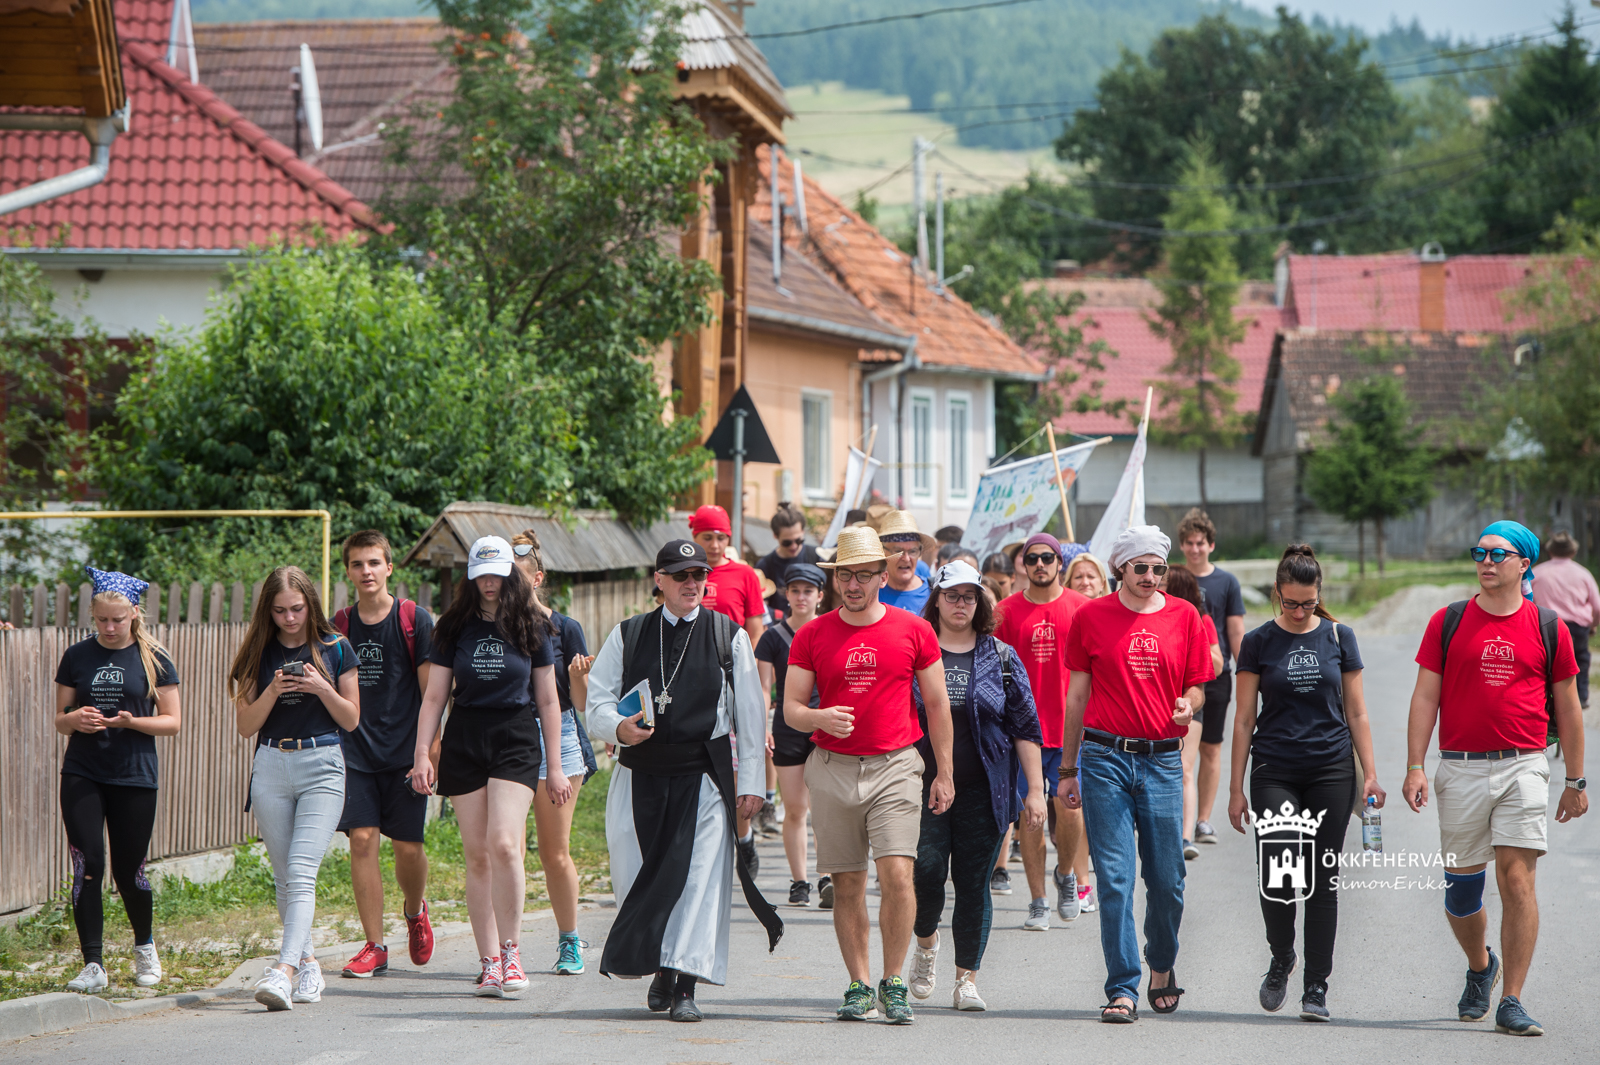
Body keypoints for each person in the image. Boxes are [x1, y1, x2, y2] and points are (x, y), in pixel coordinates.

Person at [584, 539, 783, 1022]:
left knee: (697, 882)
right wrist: (618, 727)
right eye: (680, 576)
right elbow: (597, 703)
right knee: (641, 876)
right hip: (639, 776)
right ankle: (662, 969)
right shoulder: (628, 634)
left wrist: (751, 783)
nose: (692, 583)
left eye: (698, 575)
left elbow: (750, 718)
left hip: (704, 779)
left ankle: (687, 984)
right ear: (660, 581)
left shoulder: (726, 635)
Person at [1404, 520, 1588, 1037]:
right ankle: (1482, 967)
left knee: (1516, 880)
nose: (1485, 561)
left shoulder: (1549, 627)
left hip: (1524, 765)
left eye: (1497, 554)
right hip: (1460, 765)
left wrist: (1575, 781)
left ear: (1524, 563)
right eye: (1479, 552)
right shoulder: (1449, 621)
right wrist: (1416, 765)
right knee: (1462, 895)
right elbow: (1425, 697)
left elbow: (1570, 710)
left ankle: (1513, 1000)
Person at [785, 525, 953, 1024]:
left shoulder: (914, 629)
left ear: (884, 575)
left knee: (898, 874)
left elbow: (939, 705)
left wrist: (945, 773)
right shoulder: (813, 633)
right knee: (848, 881)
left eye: (862, 575)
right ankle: (859, 984)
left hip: (897, 765)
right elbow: (791, 708)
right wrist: (818, 717)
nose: (852, 584)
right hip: (832, 768)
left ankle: (893, 980)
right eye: (843, 575)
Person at [1061, 525, 1213, 1024]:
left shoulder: (1185, 616)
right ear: (1120, 569)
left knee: (1168, 879)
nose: (1150, 577)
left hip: (1164, 760)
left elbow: (1198, 687)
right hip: (1105, 759)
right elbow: (1077, 697)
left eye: (1158, 568)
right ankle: (1123, 986)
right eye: (1140, 568)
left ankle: (1162, 963)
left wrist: (1188, 706)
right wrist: (1067, 768)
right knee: (1116, 880)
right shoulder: (1091, 616)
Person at [408, 536, 570, 1000]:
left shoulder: (532, 624)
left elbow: (547, 698)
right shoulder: (453, 627)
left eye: (499, 573)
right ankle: (489, 963)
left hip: (516, 735)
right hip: (466, 737)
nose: (491, 582)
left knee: (504, 843)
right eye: (482, 574)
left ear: (512, 574)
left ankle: (512, 951)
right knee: (477, 854)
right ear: (471, 576)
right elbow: (435, 696)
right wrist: (423, 753)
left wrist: (556, 766)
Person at [1228, 545, 1384, 1022]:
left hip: (1331, 769)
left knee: (1322, 881)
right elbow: (1243, 719)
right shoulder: (1257, 642)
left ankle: (1316, 986)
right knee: (1280, 874)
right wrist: (1235, 789)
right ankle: (1281, 958)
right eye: (1291, 603)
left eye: (1308, 603)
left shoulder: (1340, 636)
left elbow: (1356, 711)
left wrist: (1371, 772)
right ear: (1277, 593)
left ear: (1320, 595)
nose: (1299, 612)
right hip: (1274, 768)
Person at [908, 561, 1047, 1012]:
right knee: (925, 874)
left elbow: (1025, 725)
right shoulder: (915, 649)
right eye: (952, 595)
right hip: (919, 787)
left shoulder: (1001, 657)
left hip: (985, 793)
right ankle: (926, 944)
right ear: (937, 600)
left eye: (969, 596)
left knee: (972, 884)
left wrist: (1035, 790)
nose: (960, 604)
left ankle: (966, 978)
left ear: (980, 602)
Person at [230, 566, 361, 1012]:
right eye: (281, 610)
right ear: (268, 610)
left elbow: (351, 719)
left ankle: (282, 971)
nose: (290, 619)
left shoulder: (336, 647)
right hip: (270, 764)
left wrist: (321, 687)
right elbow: (246, 726)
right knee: (284, 875)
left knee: (302, 870)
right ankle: (307, 964)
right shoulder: (257, 652)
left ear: (312, 604)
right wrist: (272, 690)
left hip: (322, 764)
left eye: (298, 609)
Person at [56, 568, 181, 994]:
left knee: (130, 870)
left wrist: (134, 721)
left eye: (118, 619)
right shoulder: (76, 655)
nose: (110, 628)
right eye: (102, 620)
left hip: (134, 775)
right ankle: (93, 963)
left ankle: (144, 946)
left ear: (134, 614)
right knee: (88, 864)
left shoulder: (155, 657)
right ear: (93, 615)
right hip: (82, 771)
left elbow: (173, 722)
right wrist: (74, 719)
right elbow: (61, 718)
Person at [332, 531, 437, 980]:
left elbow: (433, 695)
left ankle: (415, 911)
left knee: (408, 848)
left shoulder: (415, 620)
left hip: (405, 754)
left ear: (389, 567)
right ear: (349, 572)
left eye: (374, 563)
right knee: (362, 840)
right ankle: (375, 945)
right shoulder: (339, 626)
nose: (366, 571)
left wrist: (428, 753)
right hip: (354, 752)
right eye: (357, 564)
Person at [512, 529, 601, 976]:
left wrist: (578, 676)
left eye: (518, 576)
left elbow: (582, 703)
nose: (509, 585)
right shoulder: (494, 627)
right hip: (507, 736)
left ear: (537, 578)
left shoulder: (565, 627)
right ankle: (503, 952)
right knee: (505, 849)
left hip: (559, 736)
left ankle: (570, 941)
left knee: (554, 851)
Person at [994, 533, 1092, 931]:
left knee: (1070, 810)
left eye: (1047, 557)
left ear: (1059, 563)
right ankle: (1037, 901)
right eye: (1031, 558)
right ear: (1023, 563)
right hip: (1022, 736)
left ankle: (1066, 874)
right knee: (1029, 817)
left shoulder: (1082, 608)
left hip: (1072, 732)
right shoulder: (1004, 612)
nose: (1039, 564)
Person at [689, 504, 773, 852]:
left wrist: (744, 672)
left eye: (721, 537)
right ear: (694, 536)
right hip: (691, 681)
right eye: (707, 536)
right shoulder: (685, 573)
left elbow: (755, 628)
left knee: (737, 764)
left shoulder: (743, 575)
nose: (715, 543)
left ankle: (744, 837)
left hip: (732, 679)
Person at [754, 563, 826, 907]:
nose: (801, 597)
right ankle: (800, 881)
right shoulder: (772, 637)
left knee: (826, 808)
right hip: (787, 727)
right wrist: (763, 728)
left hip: (828, 728)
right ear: (786, 594)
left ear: (820, 596)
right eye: (794, 590)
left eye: (807, 591)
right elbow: (764, 688)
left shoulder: (832, 631)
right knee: (796, 808)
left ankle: (827, 874)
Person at [1176, 509, 1246, 848]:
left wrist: (1248, 671)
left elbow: (1235, 630)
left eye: (1200, 543)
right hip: (1182, 677)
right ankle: (1182, 817)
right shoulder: (1171, 579)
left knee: (1212, 749)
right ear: (1182, 546)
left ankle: (1203, 819)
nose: (1194, 549)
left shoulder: (1226, 582)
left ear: (1211, 545)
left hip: (1217, 674)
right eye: (1188, 543)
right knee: (1182, 751)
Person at [1163, 566, 1224, 861]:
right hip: (1155, 703)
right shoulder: (1152, 617)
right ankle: (1164, 831)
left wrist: (1193, 643)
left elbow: (1219, 664)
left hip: (1190, 701)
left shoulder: (1201, 619)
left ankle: (1185, 836)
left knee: (1185, 769)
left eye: (1165, 584)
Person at [1532, 531, 1599, 709]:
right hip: (1577, 627)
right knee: (1579, 661)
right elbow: (1597, 607)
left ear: (1550, 551)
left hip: (1546, 626)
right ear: (1573, 552)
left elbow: (1526, 602)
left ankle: (1546, 699)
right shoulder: (1583, 574)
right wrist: (1592, 626)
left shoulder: (1537, 573)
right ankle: (1581, 697)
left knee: (1546, 665)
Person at [757, 502, 820, 621]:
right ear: (775, 536)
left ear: (803, 532)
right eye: (787, 542)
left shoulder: (817, 557)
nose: (793, 546)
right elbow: (761, 607)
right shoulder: (766, 566)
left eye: (799, 540)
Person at [876, 510, 936, 617]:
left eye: (913, 551)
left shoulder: (934, 594)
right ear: (883, 553)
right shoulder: (872, 594)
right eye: (898, 551)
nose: (906, 558)